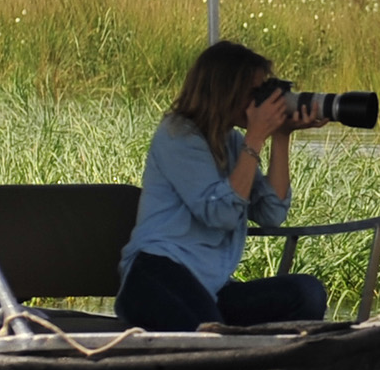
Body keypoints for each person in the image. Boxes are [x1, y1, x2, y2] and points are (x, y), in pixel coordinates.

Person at [116, 39, 333, 332]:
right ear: (224, 91)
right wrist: (255, 137)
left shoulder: (233, 143)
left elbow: (271, 214)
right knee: (210, 332)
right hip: (156, 277)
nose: (260, 102)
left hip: (210, 288)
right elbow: (221, 214)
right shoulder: (177, 134)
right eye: (254, 93)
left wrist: (281, 135)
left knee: (306, 293)